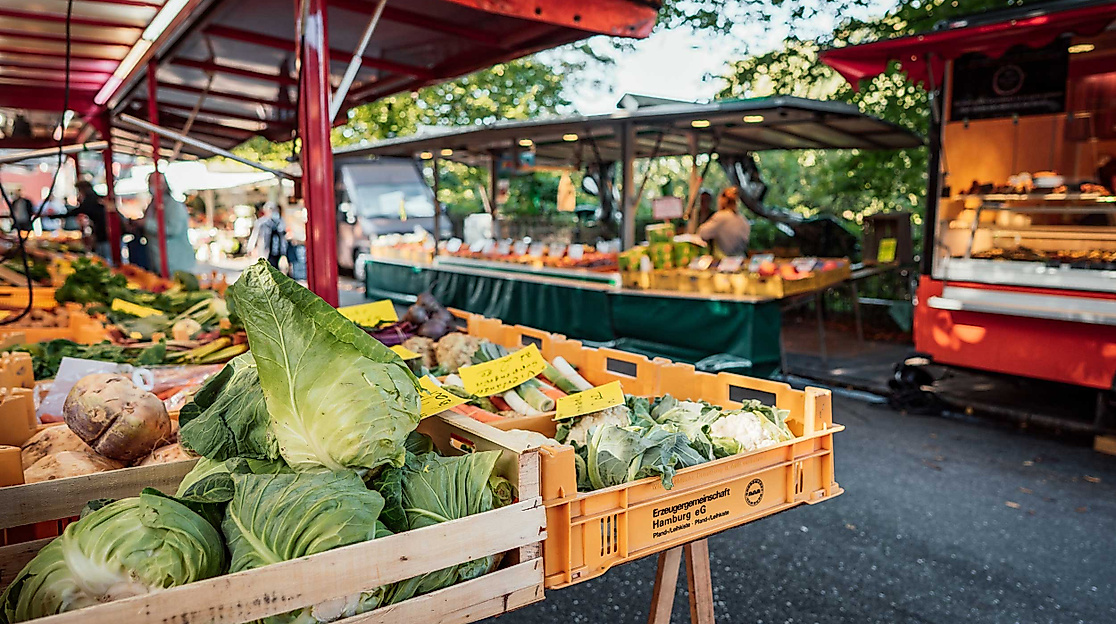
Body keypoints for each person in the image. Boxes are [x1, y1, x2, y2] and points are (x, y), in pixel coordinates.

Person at [142, 172, 196, 275]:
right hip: (159, 262)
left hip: (176, 264)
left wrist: (146, 224)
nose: (150, 187)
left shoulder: (173, 206)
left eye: (152, 183)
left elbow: (173, 229)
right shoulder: (152, 204)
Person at [64, 181, 113, 262]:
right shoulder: (97, 198)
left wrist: (52, 216)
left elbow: (77, 211)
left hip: (103, 233)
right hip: (103, 233)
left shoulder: (90, 200)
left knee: (104, 259)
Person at [697, 186, 751, 257]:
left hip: (724, 261)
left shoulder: (720, 216)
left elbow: (702, 233)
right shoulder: (743, 219)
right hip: (740, 258)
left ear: (721, 200)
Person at [246, 202, 286, 269]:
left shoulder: (279, 222)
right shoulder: (261, 223)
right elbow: (255, 235)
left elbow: (282, 237)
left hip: (277, 251)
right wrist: (250, 247)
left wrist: (284, 251)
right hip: (265, 250)